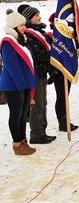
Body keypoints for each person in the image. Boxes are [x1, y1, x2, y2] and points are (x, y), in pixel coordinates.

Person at [1, 11, 38, 155]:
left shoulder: (19, 39)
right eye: (22, 25)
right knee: (16, 114)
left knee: (23, 114)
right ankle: (17, 143)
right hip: (14, 85)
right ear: (14, 26)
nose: (24, 27)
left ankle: (23, 140)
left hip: (23, 83)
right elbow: (12, 67)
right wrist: (21, 85)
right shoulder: (7, 42)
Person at [21, 6, 57, 144]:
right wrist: (51, 55)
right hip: (35, 73)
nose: (40, 17)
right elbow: (36, 55)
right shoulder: (28, 35)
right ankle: (36, 134)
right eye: (36, 15)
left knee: (43, 102)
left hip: (42, 72)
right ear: (29, 18)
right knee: (37, 104)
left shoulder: (40, 33)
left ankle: (42, 131)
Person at [47, 13, 78, 131]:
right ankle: (62, 121)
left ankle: (66, 119)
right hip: (58, 71)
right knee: (61, 97)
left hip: (66, 69)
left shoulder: (67, 37)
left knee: (65, 96)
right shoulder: (51, 37)